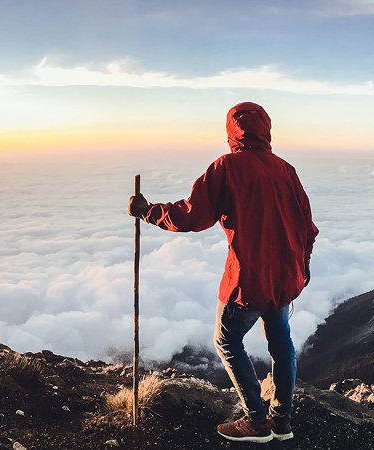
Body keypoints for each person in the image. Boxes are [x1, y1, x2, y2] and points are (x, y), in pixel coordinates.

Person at [128, 102, 318, 443]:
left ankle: (256, 421)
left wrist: (147, 211)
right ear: (266, 129)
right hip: (283, 279)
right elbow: (308, 228)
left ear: (232, 131)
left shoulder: (227, 167)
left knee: (227, 341)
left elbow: (192, 215)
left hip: (249, 280)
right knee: (281, 344)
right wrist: (298, 269)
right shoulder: (286, 170)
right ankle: (282, 422)